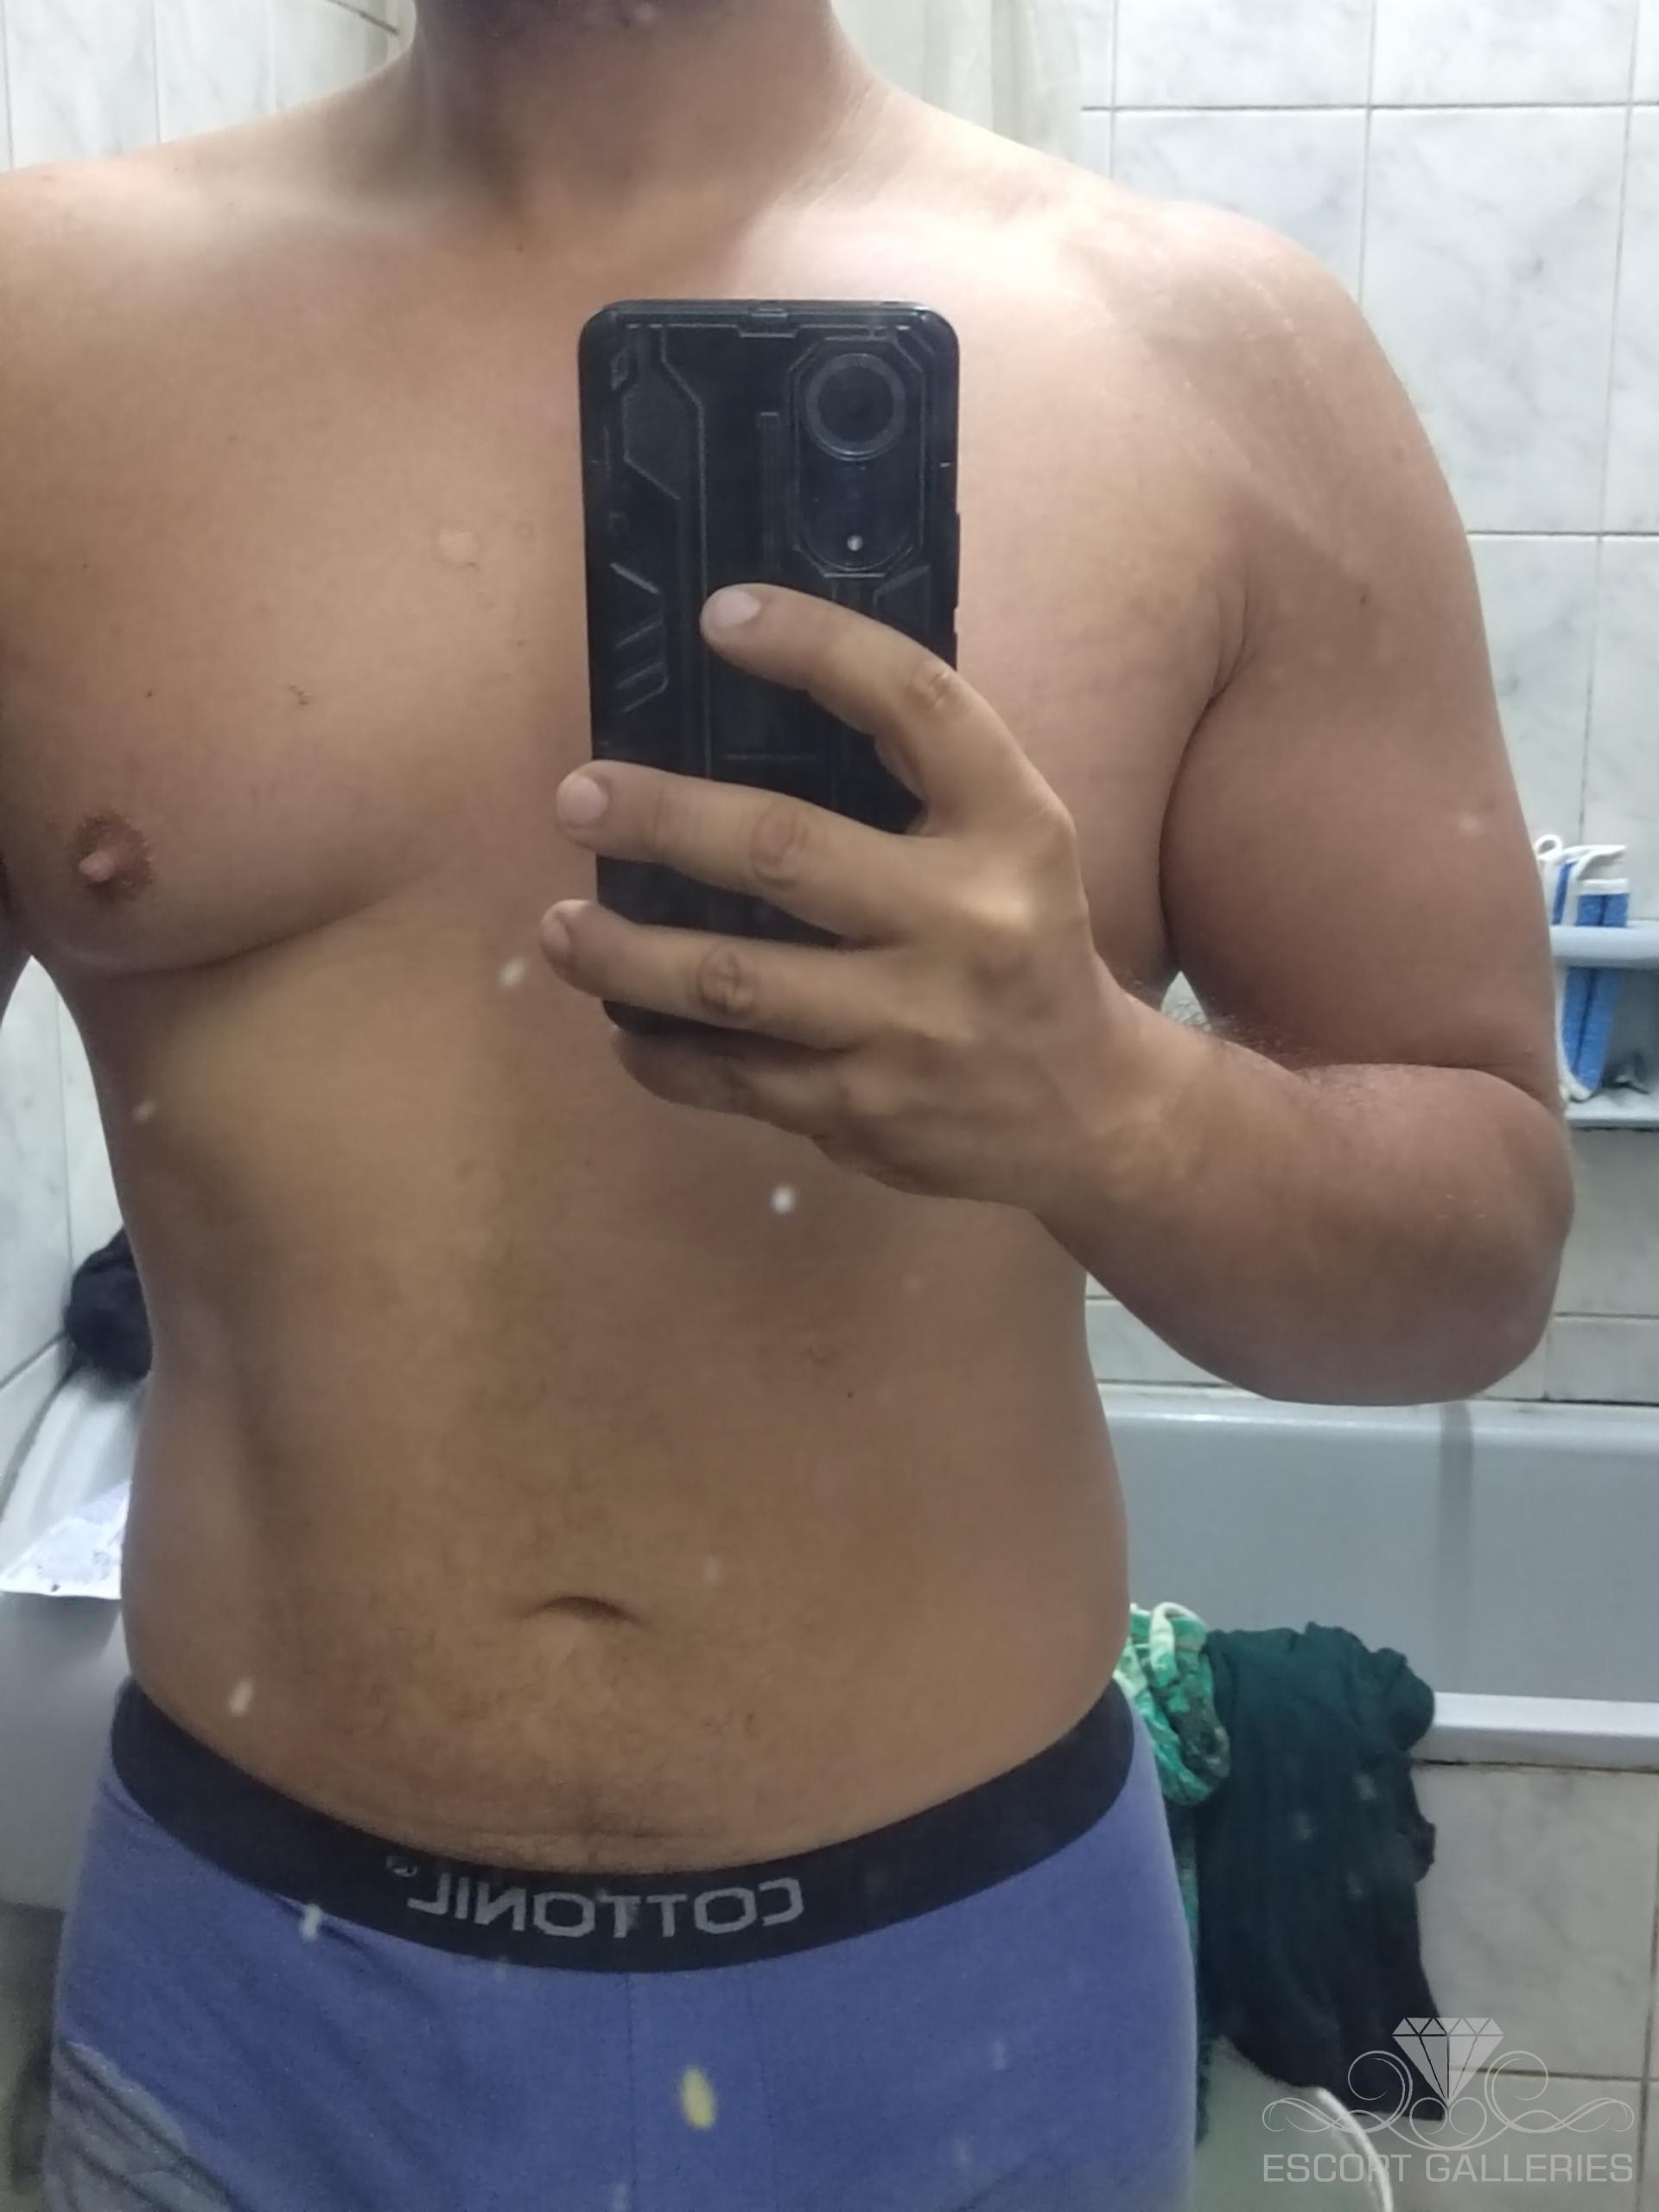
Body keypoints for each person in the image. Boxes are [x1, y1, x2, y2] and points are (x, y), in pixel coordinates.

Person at [0, 1, 1573, 2205]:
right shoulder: (40, 348)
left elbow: (1483, 1265)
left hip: (964, 2024)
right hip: (245, 2025)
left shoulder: (1216, 364)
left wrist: (1107, 1096)